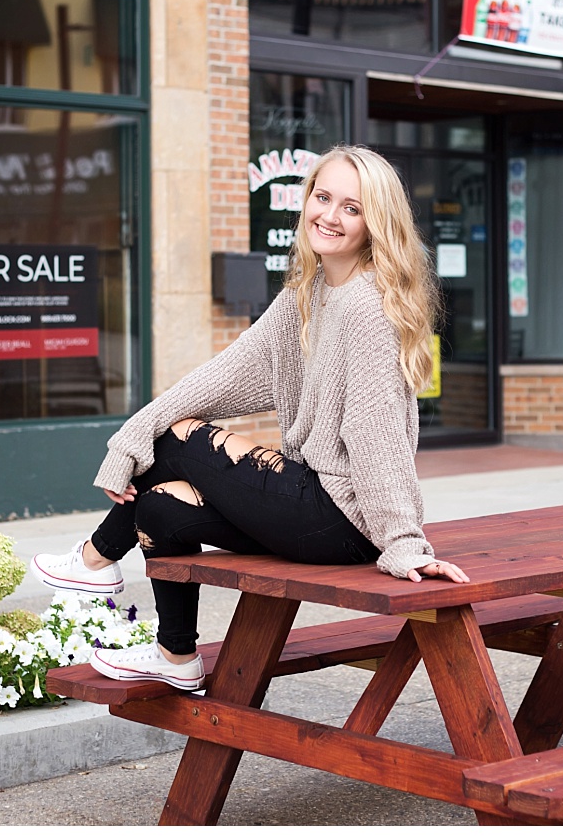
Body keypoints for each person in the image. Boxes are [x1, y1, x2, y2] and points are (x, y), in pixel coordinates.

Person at [31, 145, 468, 691]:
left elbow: (373, 435)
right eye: (322, 197)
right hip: (309, 509)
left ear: (375, 222)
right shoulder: (305, 296)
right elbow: (227, 373)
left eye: (351, 208)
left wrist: (403, 541)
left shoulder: (366, 307)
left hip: (340, 517)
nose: (329, 216)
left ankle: (95, 561)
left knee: (182, 439)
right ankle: (177, 658)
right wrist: (133, 438)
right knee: (161, 505)